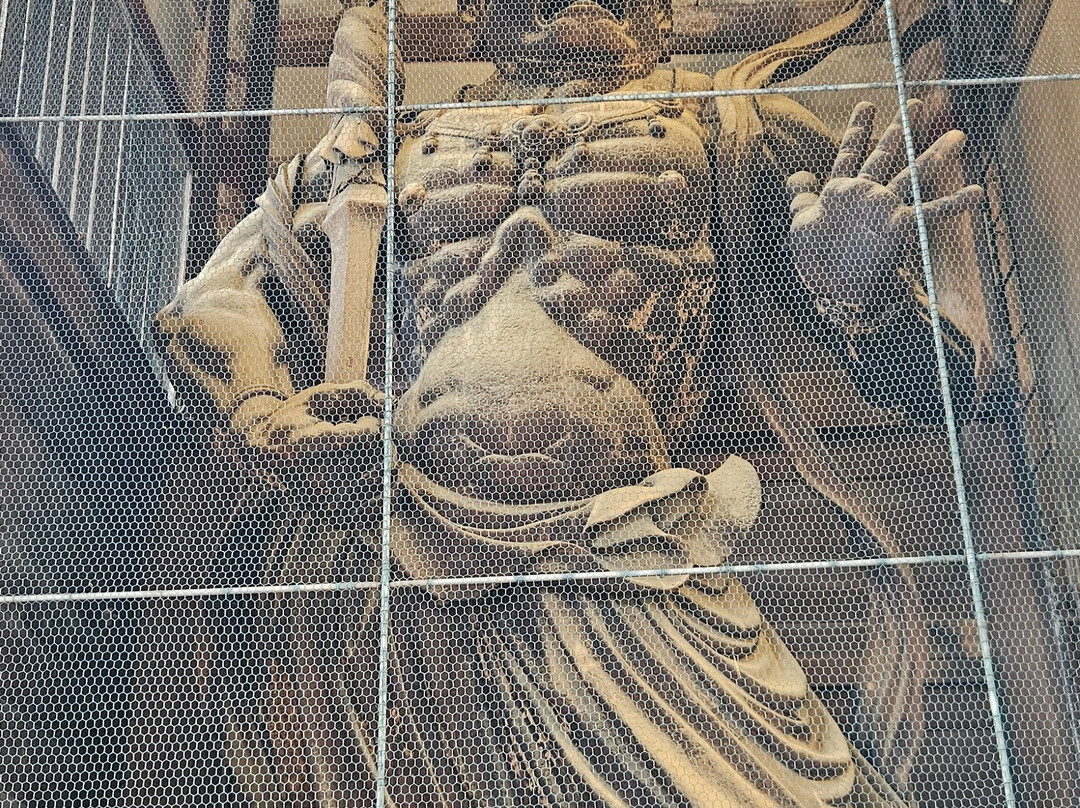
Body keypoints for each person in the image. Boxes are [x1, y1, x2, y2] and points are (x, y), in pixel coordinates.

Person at [154, 0, 981, 803]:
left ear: (665, 15)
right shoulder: (378, 151)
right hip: (401, 539)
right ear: (475, 17)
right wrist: (261, 411)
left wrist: (862, 295)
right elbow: (210, 301)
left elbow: (949, 383)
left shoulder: (729, 122)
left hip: (625, 547)